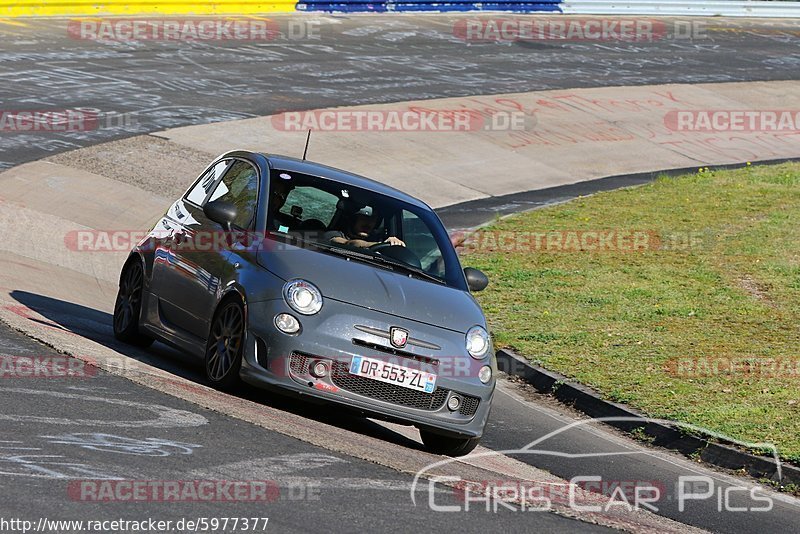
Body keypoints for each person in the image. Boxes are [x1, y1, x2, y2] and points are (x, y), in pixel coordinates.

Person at [326, 205, 405, 249]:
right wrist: (377, 244)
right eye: (364, 217)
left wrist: (393, 243)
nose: (369, 223)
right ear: (353, 219)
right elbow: (349, 243)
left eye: (373, 219)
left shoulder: (377, 238)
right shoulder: (332, 235)